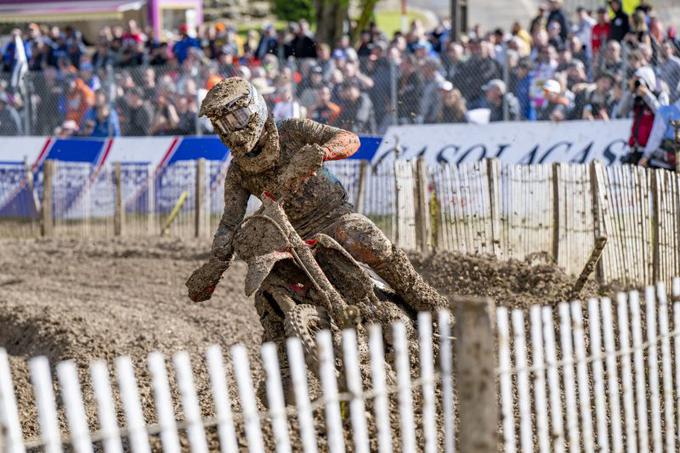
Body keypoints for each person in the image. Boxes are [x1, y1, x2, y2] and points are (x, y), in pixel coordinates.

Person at [185, 77, 447, 317]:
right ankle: (287, 354)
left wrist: (322, 152)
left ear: (255, 108)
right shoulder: (238, 171)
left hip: (333, 215)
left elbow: (348, 138)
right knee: (267, 292)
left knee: (362, 236)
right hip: (288, 237)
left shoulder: (293, 130)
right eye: (223, 123)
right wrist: (215, 267)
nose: (232, 129)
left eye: (238, 117)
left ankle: (427, 302)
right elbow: (231, 221)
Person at [639, 98, 680, 169]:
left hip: (663, 162)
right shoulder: (667, 111)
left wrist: (646, 156)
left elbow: (656, 136)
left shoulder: (666, 111)